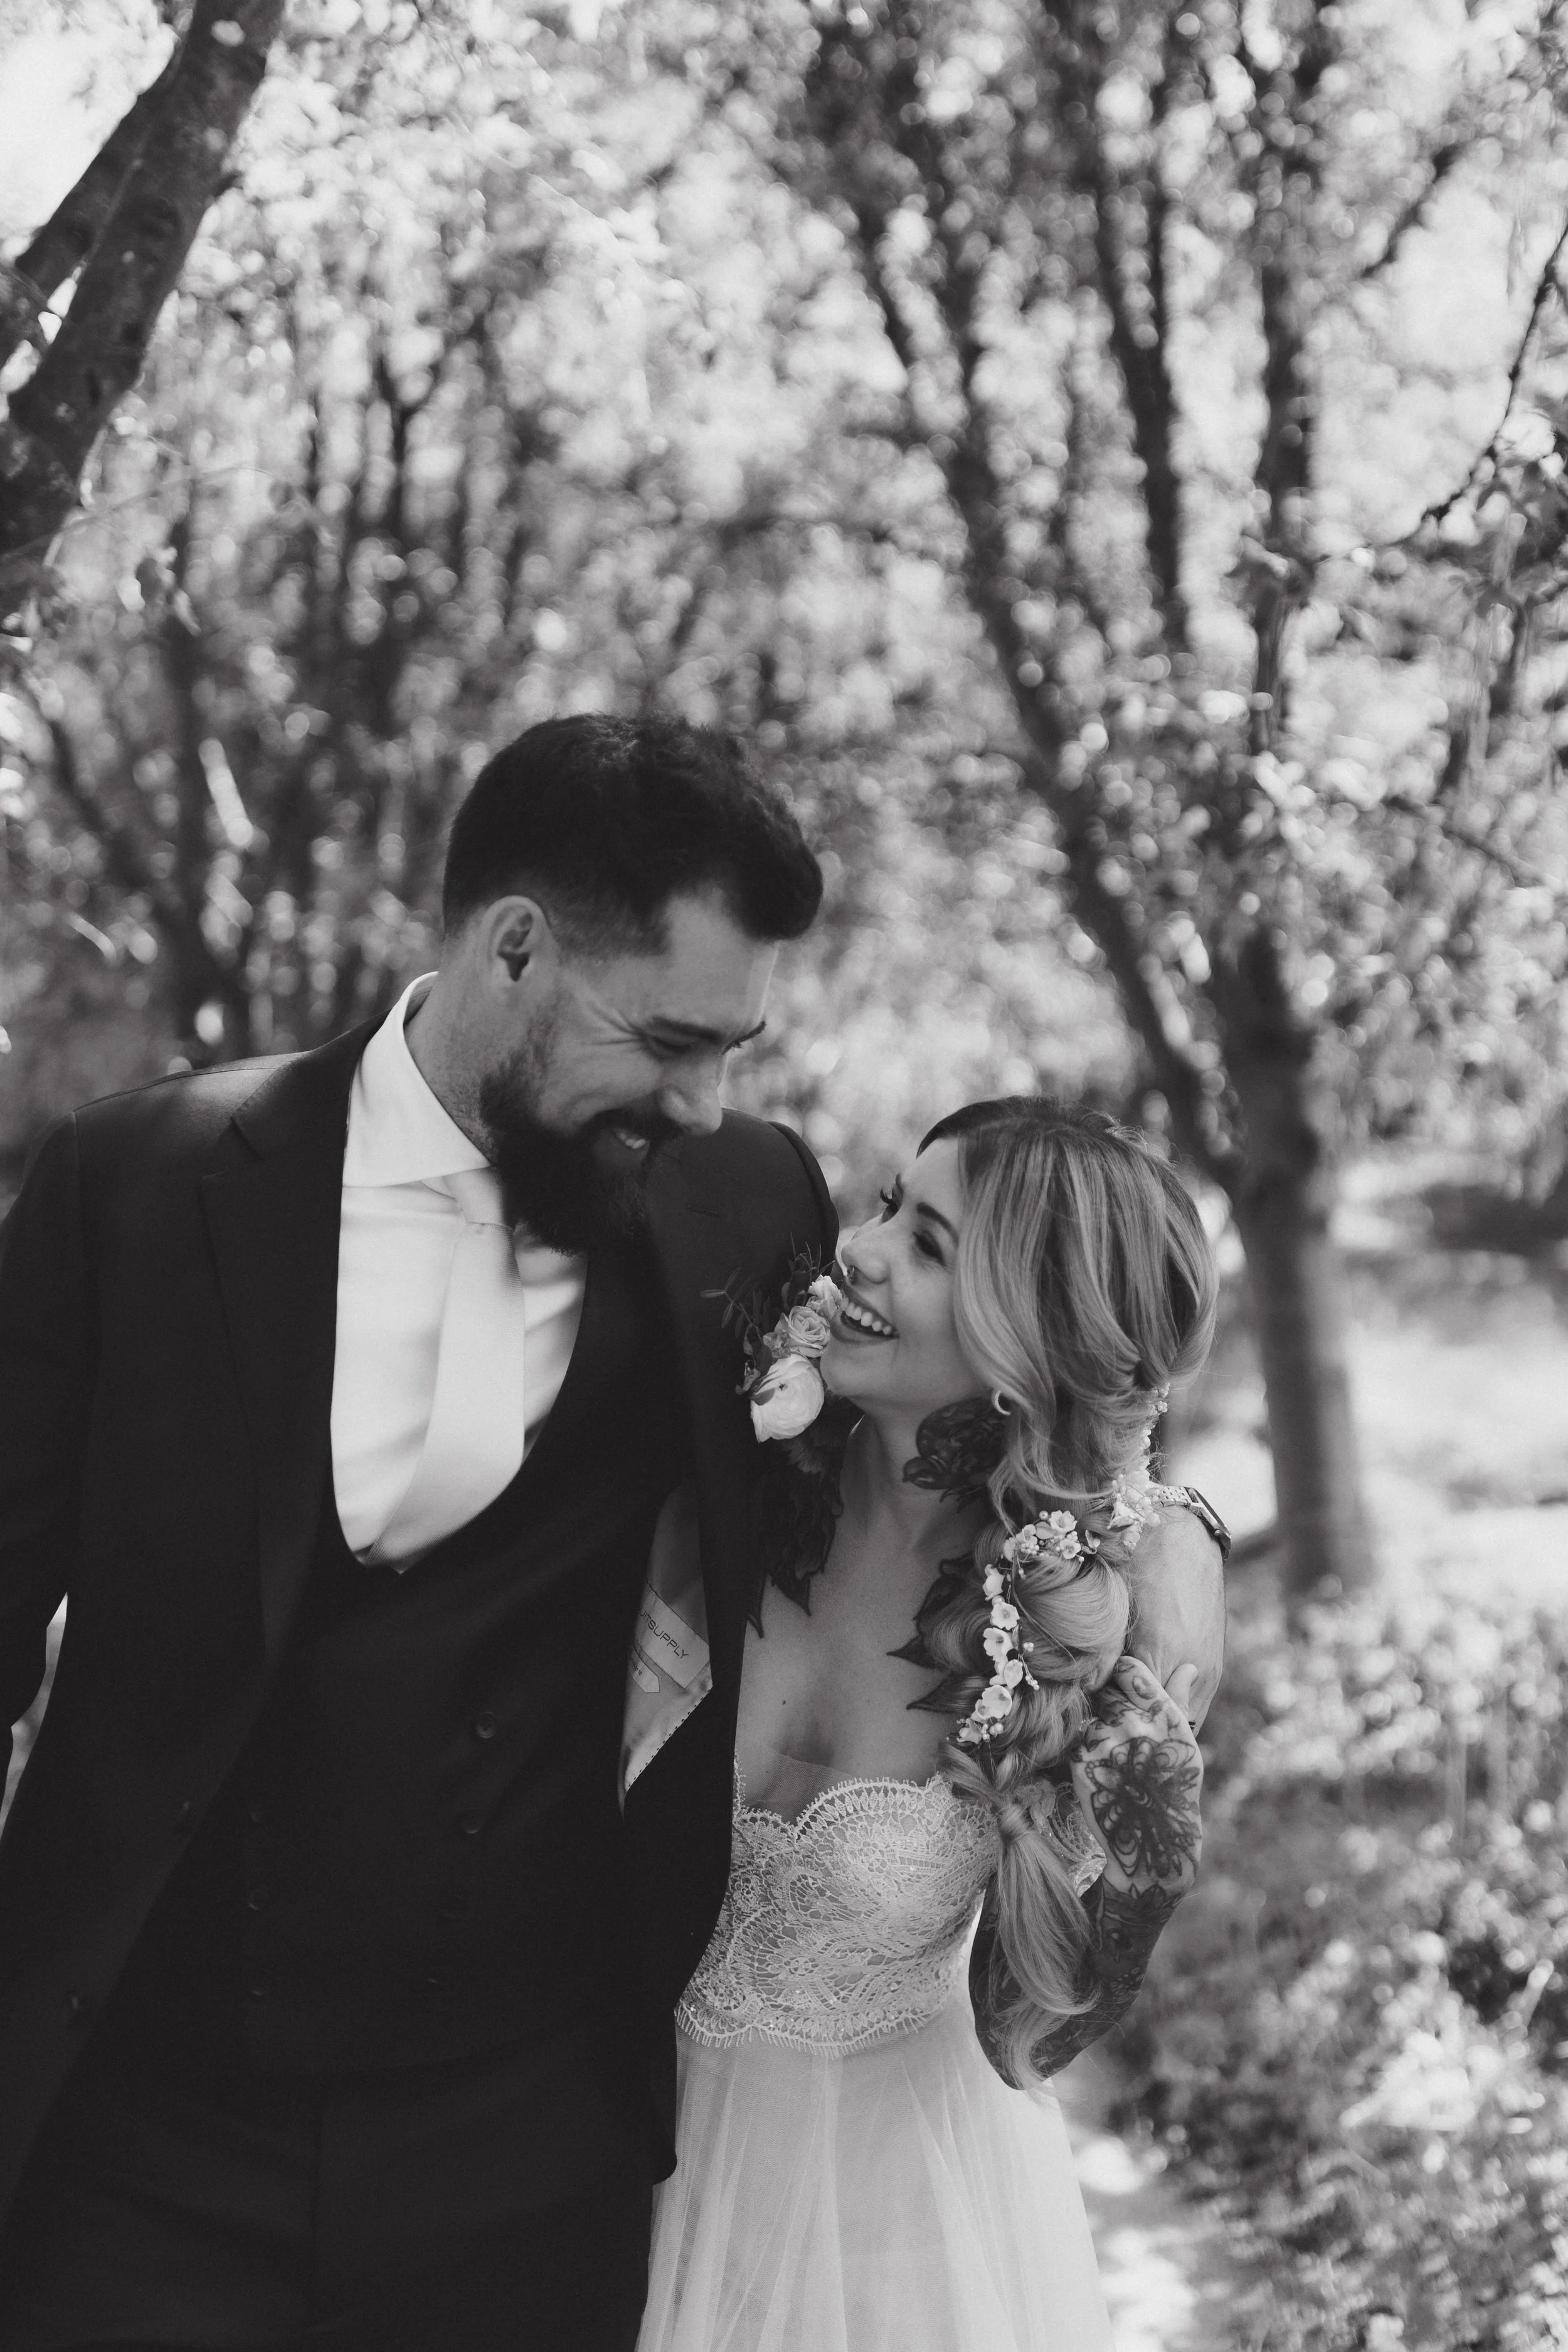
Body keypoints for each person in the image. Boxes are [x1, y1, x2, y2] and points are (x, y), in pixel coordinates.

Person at [0, 714, 1224, 2352]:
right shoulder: (132, 1183)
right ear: (515, 946)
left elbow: (1026, 1396)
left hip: (525, 2167)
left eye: (735, 1045)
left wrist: (1164, 1536)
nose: (709, 1096)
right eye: (670, 1034)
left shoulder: (737, 1198)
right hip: (145, 2121)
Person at [632, 1100, 1221, 2352]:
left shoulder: (1086, 1623)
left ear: (1032, 1342)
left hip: (897, 2240)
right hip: (598, 2174)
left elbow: (1065, 2001)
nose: (860, 1245)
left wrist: (1166, 1592)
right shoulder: (720, 1469)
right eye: (891, 1202)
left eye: (932, 1245)